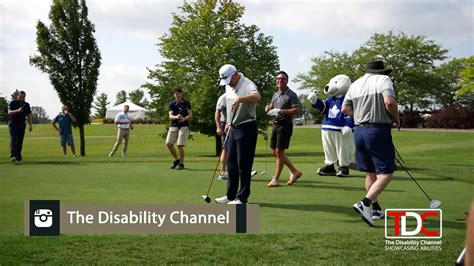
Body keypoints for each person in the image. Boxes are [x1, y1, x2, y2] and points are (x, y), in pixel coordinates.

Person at [342, 60, 400, 226]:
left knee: (370, 173)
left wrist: (360, 113)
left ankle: (374, 209)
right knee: (386, 173)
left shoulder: (355, 84)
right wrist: (396, 117)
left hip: (359, 132)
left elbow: (345, 110)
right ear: (381, 72)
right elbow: (389, 102)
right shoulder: (384, 80)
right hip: (377, 130)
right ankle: (365, 202)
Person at [215, 64, 261, 205]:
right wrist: (228, 123)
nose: (228, 83)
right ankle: (230, 195)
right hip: (233, 127)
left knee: (244, 164)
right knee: (231, 163)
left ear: (235, 74)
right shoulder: (228, 85)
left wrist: (241, 99)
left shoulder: (247, 84)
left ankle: (242, 198)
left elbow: (257, 97)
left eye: (229, 79)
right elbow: (229, 107)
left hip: (246, 126)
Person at [265, 71, 302, 187]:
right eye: (278, 79)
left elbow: (296, 110)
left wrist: (280, 111)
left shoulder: (291, 94)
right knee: (274, 152)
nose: (280, 80)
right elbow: (273, 107)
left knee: (279, 152)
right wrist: (269, 108)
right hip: (275, 125)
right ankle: (295, 171)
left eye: (283, 79)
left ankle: (276, 179)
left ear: (287, 81)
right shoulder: (275, 94)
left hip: (285, 125)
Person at [216, 92, 258, 180]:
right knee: (226, 149)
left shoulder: (237, 96)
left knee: (233, 149)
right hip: (227, 124)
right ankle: (223, 172)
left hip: (233, 124)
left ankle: (239, 171)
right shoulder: (224, 97)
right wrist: (218, 127)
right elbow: (217, 112)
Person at [166, 86, 192, 170]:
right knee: (168, 144)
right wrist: (176, 117)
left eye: (179, 94)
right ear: (174, 95)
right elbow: (170, 116)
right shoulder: (172, 104)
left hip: (184, 126)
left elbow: (190, 115)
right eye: (176, 94)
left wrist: (184, 118)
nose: (178, 95)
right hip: (174, 125)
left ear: (181, 94)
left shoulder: (186, 102)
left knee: (180, 145)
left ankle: (181, 163)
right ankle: (177, 159)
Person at [8, 90, 32, 163]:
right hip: (13, 123)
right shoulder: (12, 103)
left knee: (20, 141)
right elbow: (9, 112)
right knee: (14, 139)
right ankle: (13, 156)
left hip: (22, 124)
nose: (22, 98)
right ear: (17, 96)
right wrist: (17, 111)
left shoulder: (27, 104)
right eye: (21, 97)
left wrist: (30, 125)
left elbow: (29, 115)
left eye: (23, 97)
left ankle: (18, 157)